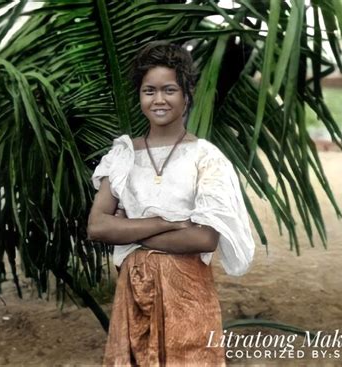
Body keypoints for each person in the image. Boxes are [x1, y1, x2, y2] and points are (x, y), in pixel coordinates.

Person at [87, 41, 255, 366]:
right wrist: (165, 223)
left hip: (189, 295)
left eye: (169, 90)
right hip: (134, 292)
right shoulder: (123, 156)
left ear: (187, 94)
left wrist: (127, 228)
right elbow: (97, 225)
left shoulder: (206, 158)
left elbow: (204, 237)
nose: (159, 99)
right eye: (149, 90)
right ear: (139, 96)